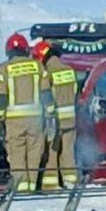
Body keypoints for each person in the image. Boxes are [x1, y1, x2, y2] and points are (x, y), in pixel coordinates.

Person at [0, 33, 49, 192]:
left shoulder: (3, 69)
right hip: (36, 119)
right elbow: (46, 93)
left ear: (8, 51)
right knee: (34, 152)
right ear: (26, 49)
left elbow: (1, 98)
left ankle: (20, 188)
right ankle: (31, 186)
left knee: (16, 153)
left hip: (14, 120)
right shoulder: (38, 66)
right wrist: (50, 115)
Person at [34, 39, 79, 189]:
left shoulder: (48, 73)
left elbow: (46, 97)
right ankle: (70, 182)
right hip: (71, 119)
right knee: (68, 152)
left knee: (51, 153)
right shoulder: (70, 70)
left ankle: (50, 184)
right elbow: (75, 94)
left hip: (54, 119)